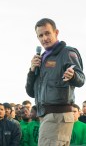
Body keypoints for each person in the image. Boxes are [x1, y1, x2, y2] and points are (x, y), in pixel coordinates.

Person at [25, 18, 85, 146]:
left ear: (56, 32)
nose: (44, 38)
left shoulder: (67, 52)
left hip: (58, 115)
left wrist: (73, 75)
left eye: (47, 33)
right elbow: (31, 92)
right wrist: (31, 70)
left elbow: (81, 79)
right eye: (40, 35)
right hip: (46, 115)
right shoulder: (41, 59)